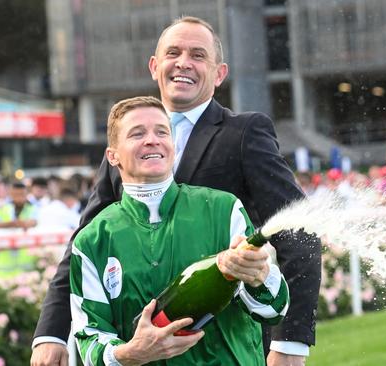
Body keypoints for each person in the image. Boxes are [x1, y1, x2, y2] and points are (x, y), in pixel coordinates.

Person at [32, 15, 321, 366]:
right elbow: (87, 241)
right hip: (138, 349)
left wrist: (290, 345)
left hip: (227, 345)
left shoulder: (245, 133)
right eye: (173, 53)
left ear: (219, 74)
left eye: (198, 55)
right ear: (155, 66)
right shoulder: (124, 145)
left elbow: (298, 232)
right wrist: (51, 332)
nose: (183, 62)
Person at [71, 96, 288, 365]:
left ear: (172, 144)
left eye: (162, 131)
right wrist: (128, 354)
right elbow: (90, 336)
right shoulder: (92, 240)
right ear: (112, 155)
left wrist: (260, 276)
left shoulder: (224, 209)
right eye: (137, 133)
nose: (152, 140)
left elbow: (274, 310)